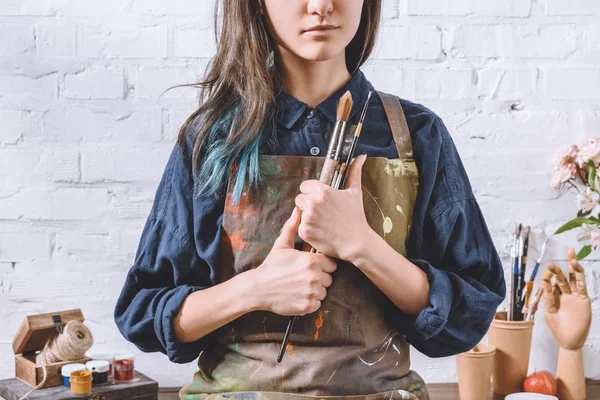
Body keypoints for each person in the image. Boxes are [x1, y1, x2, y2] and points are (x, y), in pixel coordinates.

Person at [114, 1, 506, 399]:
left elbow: (470, 313)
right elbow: (143, 313)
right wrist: (257, 288)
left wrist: (363, 246)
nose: (320, 6)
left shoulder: (419, 136)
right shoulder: (210, 141)